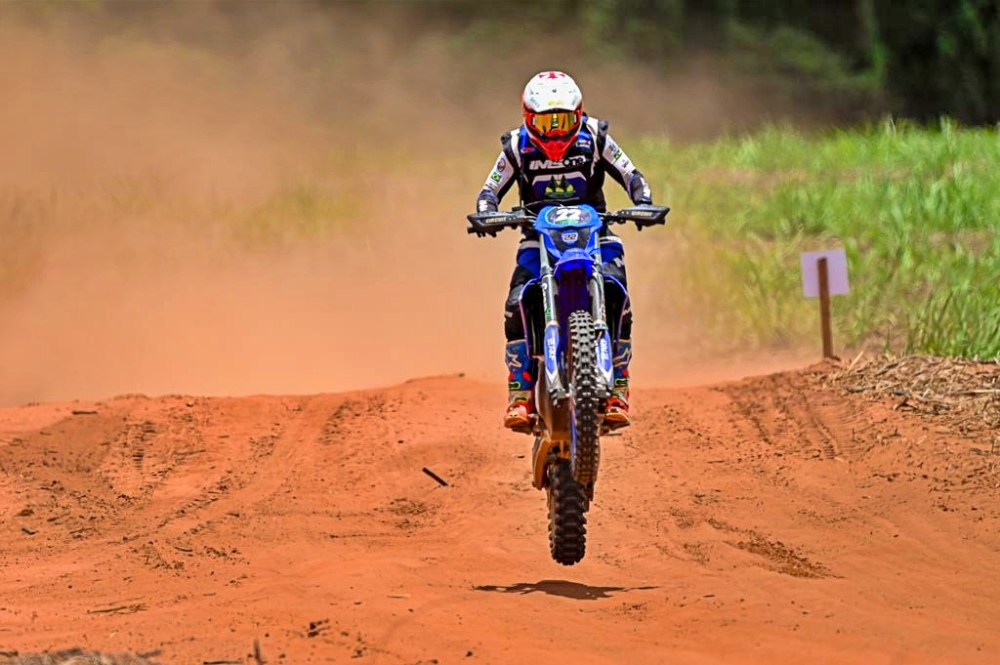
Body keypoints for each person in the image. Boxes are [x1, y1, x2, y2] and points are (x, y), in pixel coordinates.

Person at [476, 70, 656, 432]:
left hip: (597, 233)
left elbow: (632, 174)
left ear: (579, 114)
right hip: (537, 238)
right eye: (547, 121)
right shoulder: (515, 146)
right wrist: (485, 214)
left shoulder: (595, 136)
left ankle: (619, 387)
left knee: (618, 291)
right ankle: (520, 394)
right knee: (515, 302)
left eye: (563, 120)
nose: (556, 131)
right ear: (529, 117)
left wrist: (643, 201)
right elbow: (489, 190)